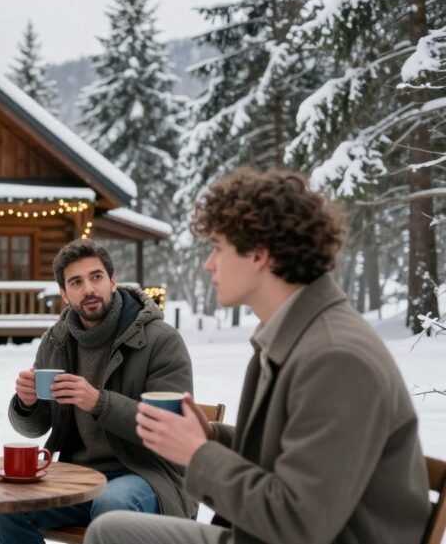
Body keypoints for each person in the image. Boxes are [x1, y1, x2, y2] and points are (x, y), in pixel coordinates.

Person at [87, 167, 431, 543]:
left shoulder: (336, 358)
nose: (209, 264)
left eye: (218, 247)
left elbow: (300, 523)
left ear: (258, 255)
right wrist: (212, 437)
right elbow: (292, 452)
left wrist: (198, 454)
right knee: (111, 530)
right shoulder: (294, 333)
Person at [0, 239, 195, 544]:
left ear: (112, 281)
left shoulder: (160, 340)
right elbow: (34, 427)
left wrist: (99, 402)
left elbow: (171, 427)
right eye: (76, 282)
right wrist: (26, 403)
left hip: (147, 474)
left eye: (96, 277)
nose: (89, 289)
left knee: (112, 505)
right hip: (77, 476)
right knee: (4, 502)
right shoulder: (56, 341)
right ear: (64, 294)